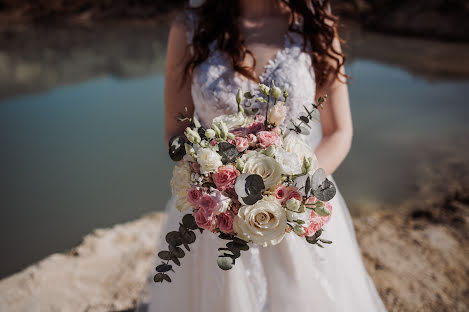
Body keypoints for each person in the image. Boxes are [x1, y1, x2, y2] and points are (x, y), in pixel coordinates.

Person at [139, 0, 387, 311]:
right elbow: (176, 131)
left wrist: (292, 194)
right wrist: (216, 186)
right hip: (215, 213)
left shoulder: (314, 26)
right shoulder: (190, 28)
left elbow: (339, 132)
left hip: (300, 203)